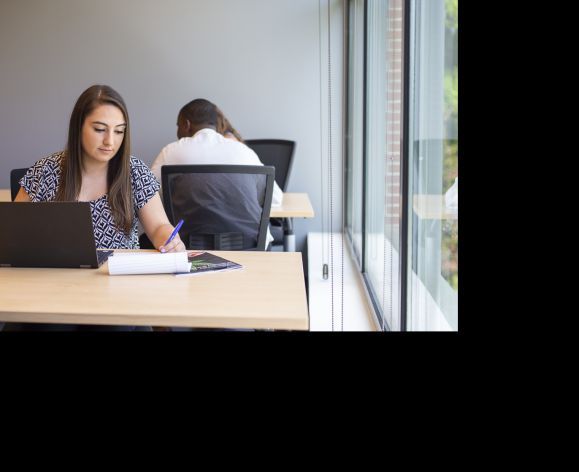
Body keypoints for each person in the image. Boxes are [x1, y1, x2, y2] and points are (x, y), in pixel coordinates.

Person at [7, 84, 185, 331]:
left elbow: (159, 228)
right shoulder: (45, 170)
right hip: (52, 288)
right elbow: (12, 234)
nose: (110, 141)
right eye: (100, 129)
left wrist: (170, 240)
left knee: (114, 325)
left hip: (118, 290)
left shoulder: (133, 170)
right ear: (78, 127)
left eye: (119, 131)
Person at [150, 98, 283, 249]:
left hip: (184, 249)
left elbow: (147, 196)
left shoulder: (171, 151)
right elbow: (275, 198)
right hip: (247, 249)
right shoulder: (242, 151)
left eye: (178, 126)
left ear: (186, 124)